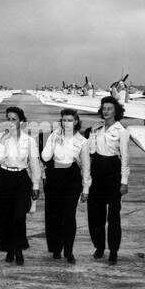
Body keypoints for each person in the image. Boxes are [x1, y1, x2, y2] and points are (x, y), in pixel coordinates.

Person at [41, 109, 91, 264]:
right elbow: (45, 156)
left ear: (76, 122)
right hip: (54, 176)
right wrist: (53, 140)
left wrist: (86, 188)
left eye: (70, 120)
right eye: (64, 120)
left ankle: (68, 250)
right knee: (53, 215)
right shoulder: (54, 135)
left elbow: (86, 166)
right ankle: (56, 248)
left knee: (69, 216)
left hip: (72, 178)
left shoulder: (82, 141)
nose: (66, 123)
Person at [0, 107, 41, 265]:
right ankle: (9, 249)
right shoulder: (1, 137)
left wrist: (35, 184)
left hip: (21, 179)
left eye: (14, 119)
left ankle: (19, 249)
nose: (11, 122)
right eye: (8, 119)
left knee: (19, 217)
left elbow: (34, 163)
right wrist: (2, 141)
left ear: (21, 121)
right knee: (3, 217)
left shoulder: (30, 140)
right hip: (3, 178)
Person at [87, 96, 130, 265]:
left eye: (109, 109)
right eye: (104, 108)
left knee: (113, 216)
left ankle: (113, 250)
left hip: (113, 174)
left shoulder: (122, 131)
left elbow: (125, 158)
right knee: (95, 214)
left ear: (116, 111)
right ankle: (99, 246)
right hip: (97, 173)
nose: (106, 112)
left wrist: (124, 181)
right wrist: (91, 133)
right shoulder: (96, 129)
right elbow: (91, 150)